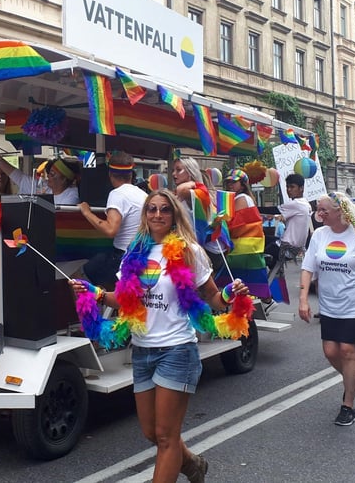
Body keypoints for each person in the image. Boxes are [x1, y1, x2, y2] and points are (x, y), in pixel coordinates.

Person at [69, 189, 248, 482]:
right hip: (142, 351)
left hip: (177, 350)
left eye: (164, 209)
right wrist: (97, 293)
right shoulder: (134, 253)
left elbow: (213, 298)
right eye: (151, 209)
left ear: (174, 215)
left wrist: (229, 294)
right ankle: (192, 464)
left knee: (166, 437)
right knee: (152, 432)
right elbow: (125, 300)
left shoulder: (190, 251)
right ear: (145, 214)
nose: (157, 214)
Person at [299, 192, 355, 426]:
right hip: (330, 305)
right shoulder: (319, 235)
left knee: (348, 352)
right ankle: (353, 377)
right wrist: (303, 300)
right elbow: (308, 268)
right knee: (331, 352)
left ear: (339, 211)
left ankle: (348, 404)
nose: (318, 214)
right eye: (317, 210)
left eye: (323, 210)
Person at [78, 151, 147, 290]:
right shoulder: (143, 194)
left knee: (78, 279)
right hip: (141, 257)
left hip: (122, 259)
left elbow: (110, 230)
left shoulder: (117, 194)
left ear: (110, 174)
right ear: (131, 174)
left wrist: (86, 212)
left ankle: (87, 311)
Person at [219, 169, 271, 301]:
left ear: (242, 184)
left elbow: (231, 223)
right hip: (249, 247)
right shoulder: (245, 198)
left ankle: (263, 302)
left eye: (234, 182)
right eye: (228, 182)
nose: (230, 185)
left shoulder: (241, 198)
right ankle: (262, 302)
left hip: (243, 248)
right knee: (247, 281)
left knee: (237, 280)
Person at [0, 152, 81, 205]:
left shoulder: (72, 195)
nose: (48, 176)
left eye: (53, 174)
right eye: (49, 173)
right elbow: (20, 178)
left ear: (64, 179)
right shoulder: (45, 186)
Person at [277, 173, 312, 261]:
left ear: (301, 188)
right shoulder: (306, 203)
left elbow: (273, 210)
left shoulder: (297, 203)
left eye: (292, 187)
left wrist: (253, 209)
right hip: (296, 248)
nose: (289, 190)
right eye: (287, 187)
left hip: (286, 247)